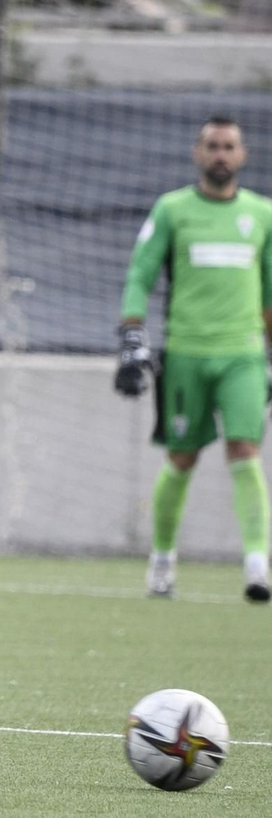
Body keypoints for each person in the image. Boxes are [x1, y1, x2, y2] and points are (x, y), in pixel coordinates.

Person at [117, 114, 272, 602]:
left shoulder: (262, 215)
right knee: (181, 458)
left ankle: (256, 566)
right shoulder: (172, 210)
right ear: (197, 154)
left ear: (242, 155)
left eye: (229, 146)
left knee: (245, 449)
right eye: (212, 146)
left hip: (243, 354)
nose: (221, 154)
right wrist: (131, 333)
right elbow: (140, 274)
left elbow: (270, 291)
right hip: (186, 352)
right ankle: (162, 561)